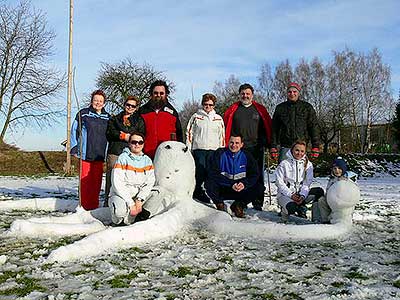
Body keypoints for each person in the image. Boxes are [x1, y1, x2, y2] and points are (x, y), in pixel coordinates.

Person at [223, 83, 272, 210]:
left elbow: (266, 127)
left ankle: (257, 201)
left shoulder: (259, 109)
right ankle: (241, 201)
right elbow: (228, 127)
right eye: (243, 93)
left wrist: (266, 142)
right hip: (239, 149)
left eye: (248, 94)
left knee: (257, 175)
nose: (245, 96)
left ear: (252, 95)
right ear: (239, 95)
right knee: (240, 175)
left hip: (256, 147)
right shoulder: (234, 110)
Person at [204, 134, 264, 218]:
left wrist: (244, 184)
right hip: (224, 188)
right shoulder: (219, 153)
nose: (234, 145)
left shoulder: (247, 155)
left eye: (237, 143)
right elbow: (213, 173)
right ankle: (219, 204)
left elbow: (254, 174)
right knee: (209, 183)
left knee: (259, 187)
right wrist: (231, 184)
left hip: (240, 189)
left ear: (241, 144)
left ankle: (238, 206)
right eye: (231, 142)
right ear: (228, 143)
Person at [70, 90, 110, 210]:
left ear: (104, 103)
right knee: (84, 183)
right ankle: (83, 207)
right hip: (85, 154)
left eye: (100, 101)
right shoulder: (83, 114)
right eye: (96, 100)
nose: (98, 103)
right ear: (92, 101)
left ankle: (94, 207)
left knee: (96, 183)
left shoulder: (107, 117)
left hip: (99, 155)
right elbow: (74, 131)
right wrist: (74, 147)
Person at [104, 95, 146, 206]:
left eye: (133, 106)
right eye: (128, 105)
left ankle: (129, 204)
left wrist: (128, 136)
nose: (130, 107)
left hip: (132, 154)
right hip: (115, 152)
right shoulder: (115, 118)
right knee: (112, 179)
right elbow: (110, 133)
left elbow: (141, 134)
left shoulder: (139, 120)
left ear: (136, 107)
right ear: (124, 105)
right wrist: (122, 136)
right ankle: (108, 203)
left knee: (130, 180)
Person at [108, 132, 155, 225]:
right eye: (134, 142)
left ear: (143, 144)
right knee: (119, 213)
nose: (137, 144)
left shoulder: (147, 160)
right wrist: (131, 203)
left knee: (159, 192)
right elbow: (117, 183)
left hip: (138, 196)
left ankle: (140, 217)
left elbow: (150, 182)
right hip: (121, 195)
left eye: (140, 142)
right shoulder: (122, 158)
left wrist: (139, 199)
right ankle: (119, 221)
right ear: (129, 144)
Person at [186, 93, 225, 202]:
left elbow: (222, 135)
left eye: (210, 105)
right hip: (199, 149)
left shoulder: (218, 119)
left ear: (214, 105)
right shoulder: (196, 116)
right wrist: (188, 147)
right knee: (199, 172)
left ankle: (212, 193)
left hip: (213, 150)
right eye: (206, 104)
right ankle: (197, 191)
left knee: (211, 173)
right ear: (202, 104)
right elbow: (189, 132)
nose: (208, 107)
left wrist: (221, 151)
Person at [275, 140, 324, 222]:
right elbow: (279, 183)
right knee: (292, 208)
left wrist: (302, 195)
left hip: (301, 195)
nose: (299, 153)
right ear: (292, 150)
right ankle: (284, 214)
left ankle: (316, 219)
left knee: (319, 191)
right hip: (287, 195)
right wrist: (291, 195)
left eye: (302, 151)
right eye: (297, 150)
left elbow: (307, 183)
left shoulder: (308, 164)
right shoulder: (284, 164)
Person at [271, 82, 320, 162]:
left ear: (298, 93)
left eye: (294, 92)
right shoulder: (280, 108)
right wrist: (273, 146)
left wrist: (315, 146)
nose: (292, 94)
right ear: (287, 93)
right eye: (289, 92)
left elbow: (313, 127)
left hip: (301, 147)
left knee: (301, 173)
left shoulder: (307, 107)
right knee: (283, 172)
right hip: (285, 147)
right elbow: (274, 129)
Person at [139, 80, 183, 158]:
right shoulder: (142, 111)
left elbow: (179, 134)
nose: (158, 95)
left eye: (161, 93)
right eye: (155, 93)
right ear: (151, 94)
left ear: (166, 95)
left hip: (167, 155)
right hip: (146, 155)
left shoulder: (172, 112)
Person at [313, 157, 357, 223]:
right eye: (335, 168)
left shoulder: (348, 180)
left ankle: (341, 220)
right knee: (321, 201)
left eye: (339, 168)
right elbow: (328, 191)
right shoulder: (332, 179)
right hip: (331, 201)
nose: (337, 170)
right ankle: (325, 220)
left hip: (342, 204)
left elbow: (353, 194)